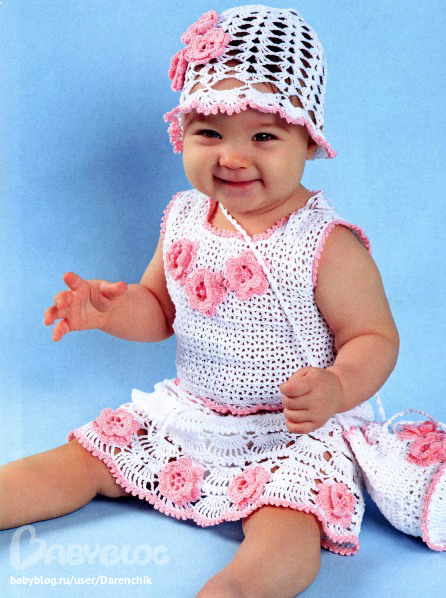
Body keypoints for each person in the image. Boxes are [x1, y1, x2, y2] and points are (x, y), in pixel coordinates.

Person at [0, 6, 400, 597]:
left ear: (308, 143)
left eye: (263, 136)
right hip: (190, 416)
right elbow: (160, 310)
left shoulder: (324, 242)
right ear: (182, 132)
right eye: (209, 133)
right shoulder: (185, 218)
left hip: (292, 431)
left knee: (290, 518)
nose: (232, 157)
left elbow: (374, 337)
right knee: (86, 457)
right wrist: (110, 311)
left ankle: (237, 588)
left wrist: (337, 387)